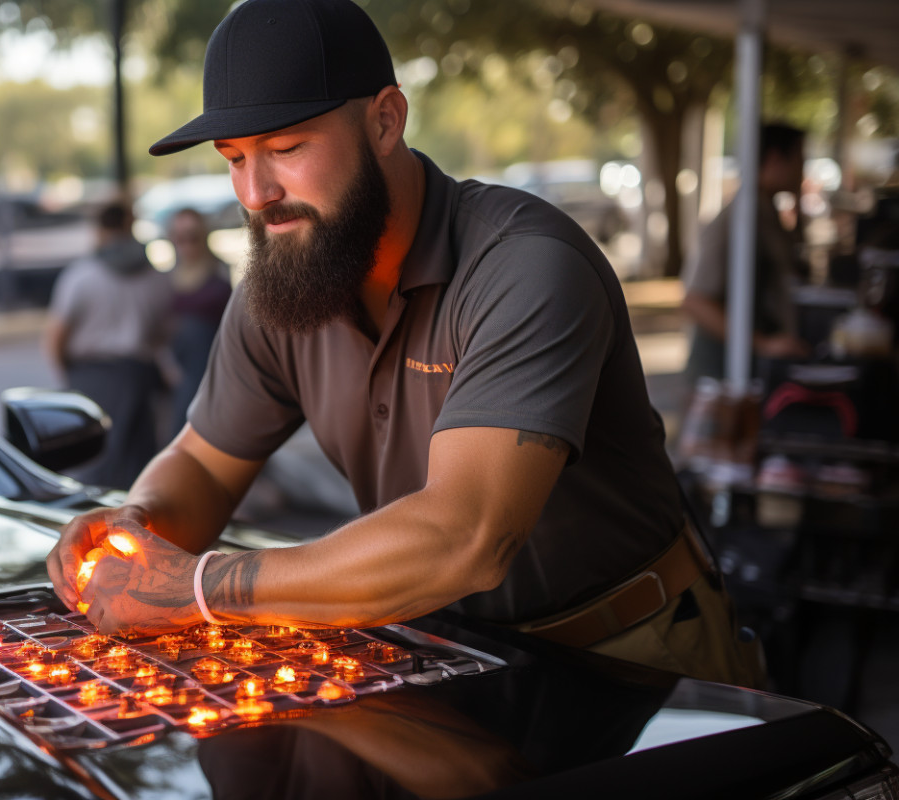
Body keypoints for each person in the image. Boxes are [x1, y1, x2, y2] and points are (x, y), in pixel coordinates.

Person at [47, 0, 763, 687]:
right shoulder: (286, 273)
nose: (256, 192)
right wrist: (135, 529)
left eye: (287, 147)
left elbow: (464, 537)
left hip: (631, 657)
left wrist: (200, 587)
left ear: (386, 121)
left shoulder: (525, 264)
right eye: (234, 158)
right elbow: (202, 465)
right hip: (441, 652)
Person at [44, 201, 173, 489]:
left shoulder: (81, 276)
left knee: (92, 466)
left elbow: (55, 337)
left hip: (90, 377)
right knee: (139, 469)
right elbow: (164, 333)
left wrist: (68, 377)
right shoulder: (155, 277)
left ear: (100, 230)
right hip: (139, 375)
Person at [681, 124, 811, 383]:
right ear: (775, 159)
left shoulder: (767, 212)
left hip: (745, 371)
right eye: (799, 160)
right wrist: (763, 344)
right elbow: (695, 301)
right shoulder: (736, 219)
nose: (803, 170)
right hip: (720, 378)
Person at [165, 207, 232, 437]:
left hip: (211, 367)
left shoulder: (220, 272)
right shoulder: (165, 278)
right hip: (177, 370)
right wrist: (166, 363)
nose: (187, 245)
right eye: (180, 238)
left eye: (193, 237)